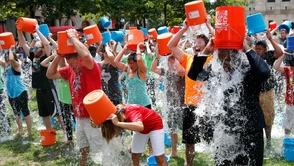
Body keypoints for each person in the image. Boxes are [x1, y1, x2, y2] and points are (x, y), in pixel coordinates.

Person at [187, 36, 270, 166]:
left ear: (235, 52)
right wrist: (206, 51)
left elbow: (264, 72)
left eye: (223, 50)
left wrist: (247, 49)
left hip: (251, 129)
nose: (219, 54)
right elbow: (194, 74)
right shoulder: (216, 69)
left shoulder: (247, 67)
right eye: (218, 51)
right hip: (225, 129)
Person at [46, 29, 103, 166]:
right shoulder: (70, 70)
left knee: (99, 148)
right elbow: (50, 74)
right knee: (82, 144)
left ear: (79, 59)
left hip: (93, 116)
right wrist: (58, 56)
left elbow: (87, 56)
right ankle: (82, 162)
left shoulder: (91, 67)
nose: (70, 67)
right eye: (69, 64)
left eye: (72, 63)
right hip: (79, 115)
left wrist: (73, 38)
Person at [167, 18, 213, 166]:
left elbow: (218, 42)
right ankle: (189, 164)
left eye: (200, 43)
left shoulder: (212, 58)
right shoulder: (188, 58)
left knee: (212, 140)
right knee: (189, 141)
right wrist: (184, 28)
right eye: (195, 43)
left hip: (207, 107)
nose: (196, 45)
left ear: (207, 46)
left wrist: (208, 25)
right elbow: (170, 45)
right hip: (190, 105)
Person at [102, 104, 168, 166]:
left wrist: (117, 123)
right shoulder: (117, 112)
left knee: (159, 158)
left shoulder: (131, 112)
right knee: (135, 156)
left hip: (155, 125)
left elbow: (140, 126)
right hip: (141, 129)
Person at [17, 23, 54, 130]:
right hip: (39, 90)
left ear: (42, 49)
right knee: (44, 114)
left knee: (56, 113)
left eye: (37, 47)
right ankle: (49, 132)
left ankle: (67, 134)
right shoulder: (33, 56)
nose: (35, 49)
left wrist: (37, 31)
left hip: (49, 88)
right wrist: (19, 30)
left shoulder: (47, 56)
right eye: (34, 48)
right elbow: (23, 43)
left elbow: (46, 44)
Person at [150, 46, 185, 157]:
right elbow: (153, 69)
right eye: (169, 59)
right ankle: (174, 152)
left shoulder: (182, 71)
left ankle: (189, 148)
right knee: (172, 129)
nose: (170, 61)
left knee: (185, 129)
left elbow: (180, 71)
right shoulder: (166, 71)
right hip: (170, 104)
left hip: (182, 105)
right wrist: (156, 56)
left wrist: (176, 55)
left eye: (173, 59)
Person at [253, 30, 283, 150]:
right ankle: (258, 140)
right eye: (257, 48)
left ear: (265, 49)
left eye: (260, 49)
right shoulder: (252, 57)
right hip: (255, 92)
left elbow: (280, 52)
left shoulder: (268, 56)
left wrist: (270, 39)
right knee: (256, 117)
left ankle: (269, 140)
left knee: (268, 117)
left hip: (267, 92)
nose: (258, 51)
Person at [0, 45, 32, 137]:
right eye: (5, 58)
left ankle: (29, 131)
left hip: (20, 92)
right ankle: (20, 130)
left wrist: (10, 48)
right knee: (16, 113)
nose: (7, 59)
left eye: (8, 57)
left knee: (25, 112)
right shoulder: (6, 66)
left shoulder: (16, 65)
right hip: (11, 94)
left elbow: (11, 59)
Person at [274, 51, 294, 140]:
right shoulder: (288, 70)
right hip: (289, 102)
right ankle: (286, 142)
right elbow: (276, 67)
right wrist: (284, 55)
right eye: (292, 67)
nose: (292, 69)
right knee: (287, 125)